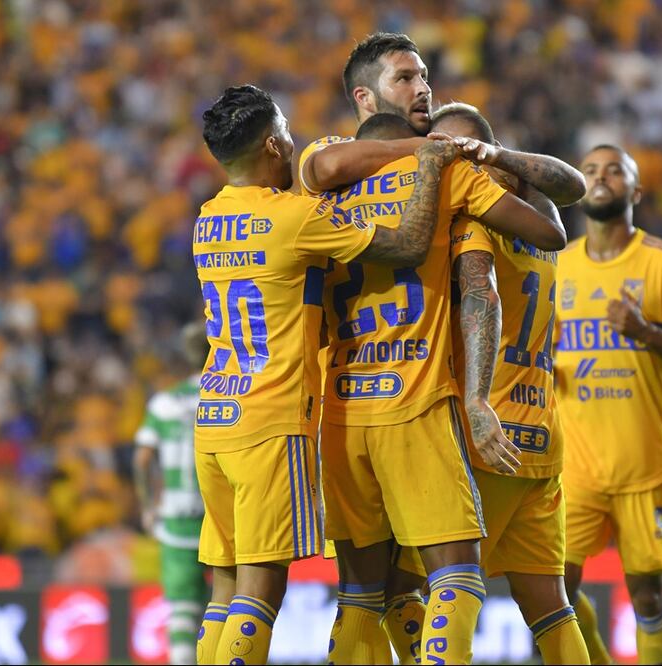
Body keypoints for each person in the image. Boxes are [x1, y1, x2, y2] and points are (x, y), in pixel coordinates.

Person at [193, 84, 459, 665]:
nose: (294, 141)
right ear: (271, 144)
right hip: (270, 420)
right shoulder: (293, 219)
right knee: (261, 589)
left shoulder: (207, 221)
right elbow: (411, 245)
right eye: (287, 131)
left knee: (223, 589)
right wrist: (431, 161)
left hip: (214, 415)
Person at [316, 105, 565, 665]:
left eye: (462, 149)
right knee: (542, 602)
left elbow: (480, 292)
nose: (448, 154)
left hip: (407, 414)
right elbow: (554, 225)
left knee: (380, 589)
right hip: (517, 422)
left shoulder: (325, 193)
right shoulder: (514, 221)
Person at [429, 102, 591, 664]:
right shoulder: (538, 212)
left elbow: (483, 293)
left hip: (485, 432)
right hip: (540, 436)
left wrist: (474, 401)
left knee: (432, 585)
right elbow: (570, 185)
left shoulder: (474, 220)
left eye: (451, 152)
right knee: (551, 606)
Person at [555, 145, 662, 665]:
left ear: (636, 191)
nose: (601, 177)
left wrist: (646, 332)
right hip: (574, 467)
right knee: (553, 593)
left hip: (643, 466)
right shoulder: (555, 267)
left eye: (615, 171)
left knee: (647, 593)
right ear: (579, 188)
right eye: (591, 170)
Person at [132, 322, 211, 665]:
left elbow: (142, 459)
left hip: (177, 518)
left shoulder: (164, 402)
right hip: (220, 516)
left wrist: (148, 506)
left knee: (182, 608)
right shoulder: (228, 394)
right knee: (232, 600)